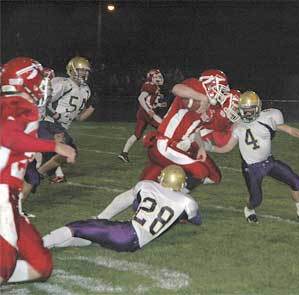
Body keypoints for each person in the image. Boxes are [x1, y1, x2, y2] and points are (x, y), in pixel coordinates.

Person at [0, 57, 76, 284]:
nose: (44, 85)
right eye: (40, 79)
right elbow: (8, 136)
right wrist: (53, 146)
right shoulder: (18, 105)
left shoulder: (11, 105)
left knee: (40, 266)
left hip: (11, 197)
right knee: (3, 265)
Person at [210, 91, 299, 223]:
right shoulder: (237, 126)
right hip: (251, 168)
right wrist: (209, 148)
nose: (247, 114)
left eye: (250, 110)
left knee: (296, 181)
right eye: (244, 111)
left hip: (269, 162)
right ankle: (249, 210)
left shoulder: (267, 119)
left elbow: (289, 129)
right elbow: (227, 147)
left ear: (258, 108)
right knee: (256, 200)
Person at [42, 165, 201, 252]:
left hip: (127, 233)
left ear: (163, 177)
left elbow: (131, 203)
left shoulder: (147, 185)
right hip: (135, 242)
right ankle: (53, 245)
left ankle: (38, 245)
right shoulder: (187, 202)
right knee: (91, 236)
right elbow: (196, 220)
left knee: (76, 226)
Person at [140, 69, 230, 189]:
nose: (223, 92)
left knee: (143, 186)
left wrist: (202, 147)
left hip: (174, 148)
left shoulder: (209, 106)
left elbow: (196, 129)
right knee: (200, 171)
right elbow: (176, 88)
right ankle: (169, 198)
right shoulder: (196, 86)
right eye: (221, 87)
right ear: (210, 83)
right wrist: (203, 97)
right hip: (165, 144)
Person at [37, 56, 95, 183]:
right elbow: (44, 101)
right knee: (63, 149)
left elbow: (79, 117)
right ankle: (43, 173)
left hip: (62, 126)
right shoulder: (63, 83)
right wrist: (54, 114)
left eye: (86, 71)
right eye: (80, 70)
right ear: (72, 69)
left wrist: (93, 108)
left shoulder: (86, 90)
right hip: (49, 122)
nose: (83, 73)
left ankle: (43, 173)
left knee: (61, 151)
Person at [118, 69, 167, 163]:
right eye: (156, 77)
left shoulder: (154, 86)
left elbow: (149, 101)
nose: (159, 78)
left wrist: (158, 105)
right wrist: (149, 110)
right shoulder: (150, 86)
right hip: (146, 113)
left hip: (142, 112)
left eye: (159, 76)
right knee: (164, 128)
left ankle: (124, 153)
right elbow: (140, 98)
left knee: (137, 134)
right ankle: (159, 151)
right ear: (151, 77)